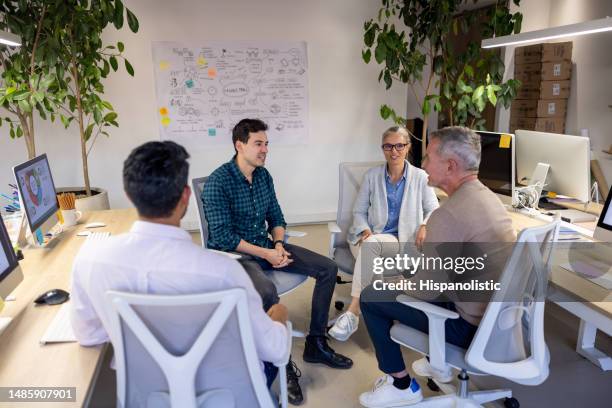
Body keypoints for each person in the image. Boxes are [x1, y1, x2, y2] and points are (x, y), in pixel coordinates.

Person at [70, 141, 290, 404]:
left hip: (148, 398)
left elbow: (88, 336)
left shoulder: (90, 259)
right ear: (185, 197)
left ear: (129, 196)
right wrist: (279, 317)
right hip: (225, 398)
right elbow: (276, 351)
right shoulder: (225, 273)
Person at [358, 127, 517, 408]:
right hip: (501, 324)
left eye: (429, 156)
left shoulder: (449, 214)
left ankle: (401, 384)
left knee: (372, 296)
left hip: (469, 329)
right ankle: (435, 362)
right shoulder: (487, 198)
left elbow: (423, 290)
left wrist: (395, 281)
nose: (423, 164)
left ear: (450, 166)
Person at [202, 118, 353, 405]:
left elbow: (277, 217)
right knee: (269, 294)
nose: (265, 150)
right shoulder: (218, 183)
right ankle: (283, 365)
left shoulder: (263, 176)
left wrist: (279, 245)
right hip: (238, 258)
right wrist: (267, 254)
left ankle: (316, 343)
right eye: (258, 144)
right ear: (239, 145)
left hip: (268, 248)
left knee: (328, 268)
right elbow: (222, 237)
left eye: (266, 144)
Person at [328, 126, 439, 341]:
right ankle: (360, 312)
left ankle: (355, 312)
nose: (394, 151)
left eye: (399, 145)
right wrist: (365, 229)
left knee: (373, 253)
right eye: (388, 146)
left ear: (408, 147)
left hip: (402, 239)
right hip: (369, 235)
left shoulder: (420, 177)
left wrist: (425, 225)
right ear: (383, 149)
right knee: (371, 247)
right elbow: (358, 211)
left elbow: (433, 209)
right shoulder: (372, 176)